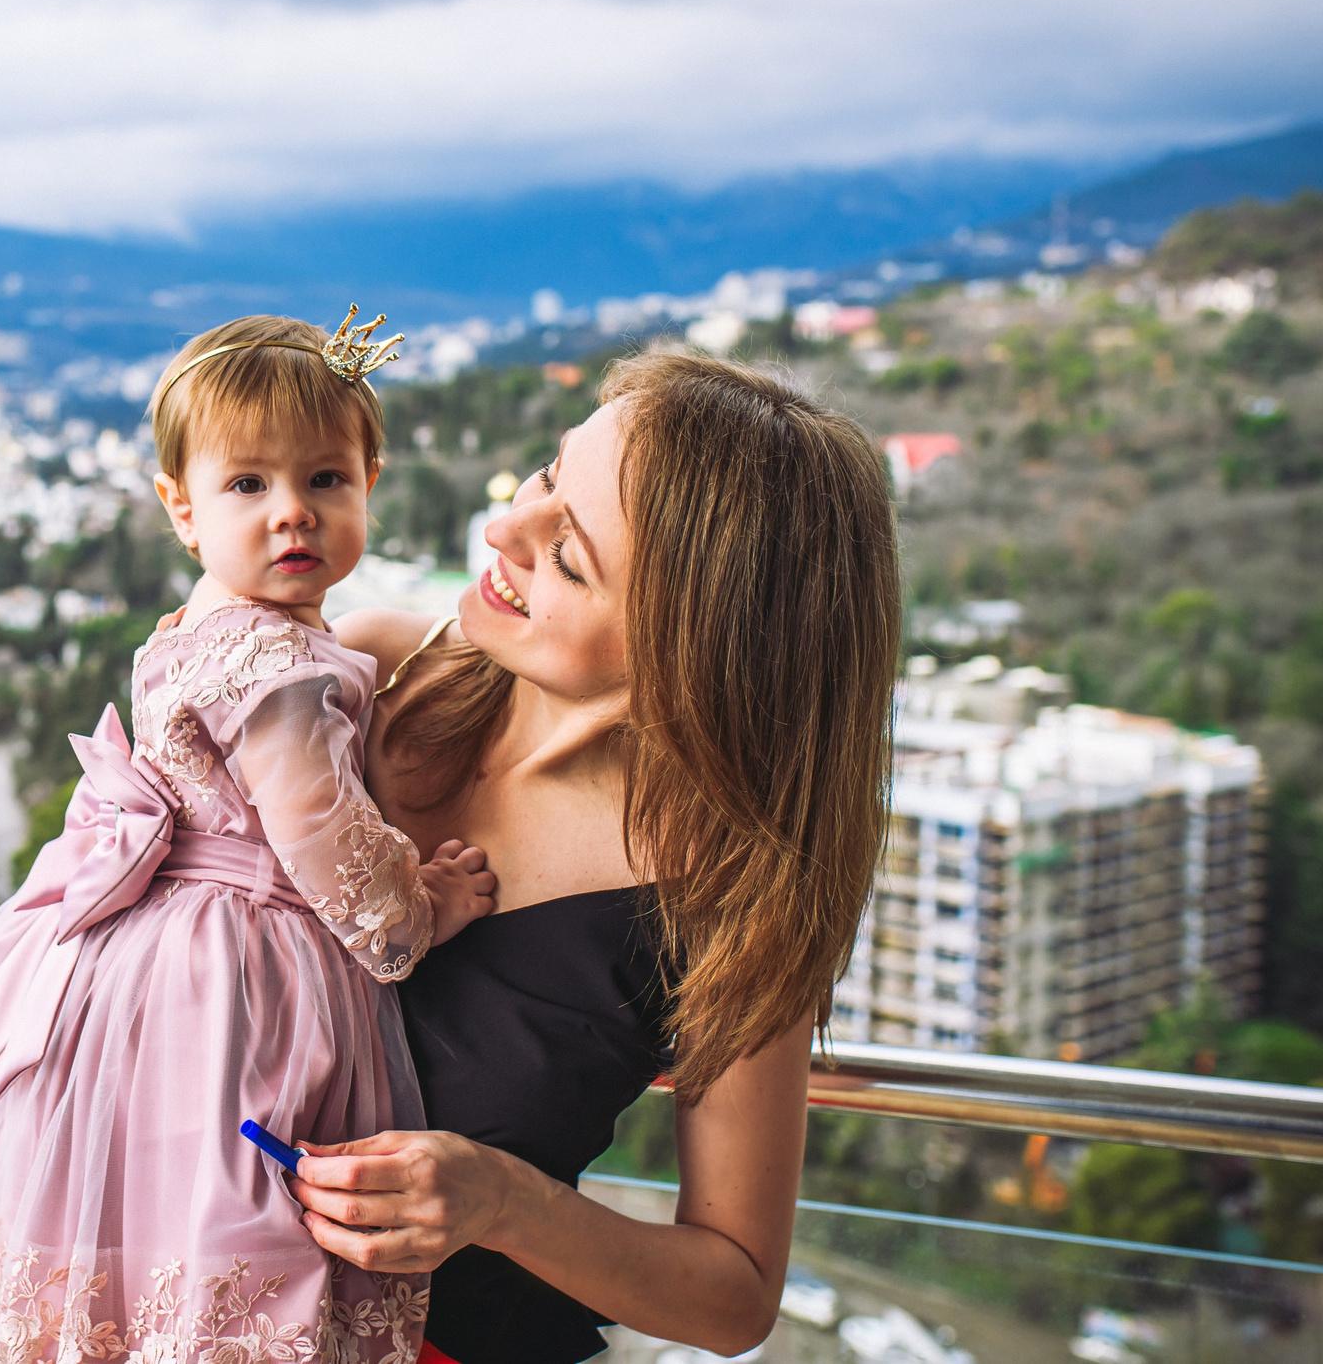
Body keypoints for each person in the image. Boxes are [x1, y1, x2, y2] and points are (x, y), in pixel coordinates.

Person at [299, 348, 900, 1364]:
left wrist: (498, 1202)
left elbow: (735, 1294)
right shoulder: (366, 673)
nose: (502, 531)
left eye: (567, 557)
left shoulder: (729, 899)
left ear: (691, 650)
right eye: (544, 477)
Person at [0, 310, 498, 1364]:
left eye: (325, 480)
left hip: (144, 965)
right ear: (181, 510)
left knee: (160, 1194)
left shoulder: (198, 625)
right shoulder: (283, 671)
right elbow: (320, 834)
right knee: (248, 1200)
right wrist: (424, 908)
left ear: (369, 482)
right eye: (249, 486)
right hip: (243, 970)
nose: (293, 515)